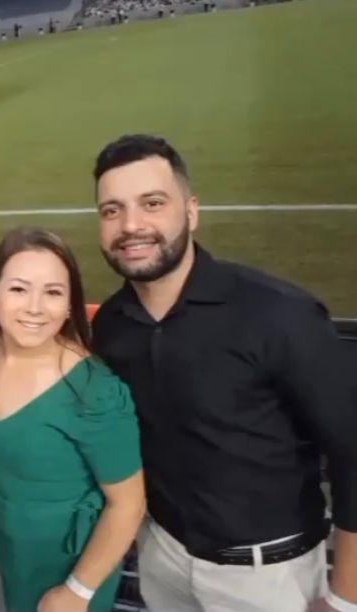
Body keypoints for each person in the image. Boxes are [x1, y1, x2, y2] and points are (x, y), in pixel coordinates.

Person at [90, 134, 357, 612]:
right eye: (112, 210)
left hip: (269, 580)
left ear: (191, 211)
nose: (131, 225)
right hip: (163, 560)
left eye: (152, 203)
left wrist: (345, 596)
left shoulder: (279, 314)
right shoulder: (110, 326)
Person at [0, 227, 146, 612]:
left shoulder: (94, 391)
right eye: (19, 289)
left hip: (74, 568)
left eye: (53, 292)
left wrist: (76, 592)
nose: (35, 307)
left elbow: (128, 505)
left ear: (71, 304)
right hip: (9, 550)